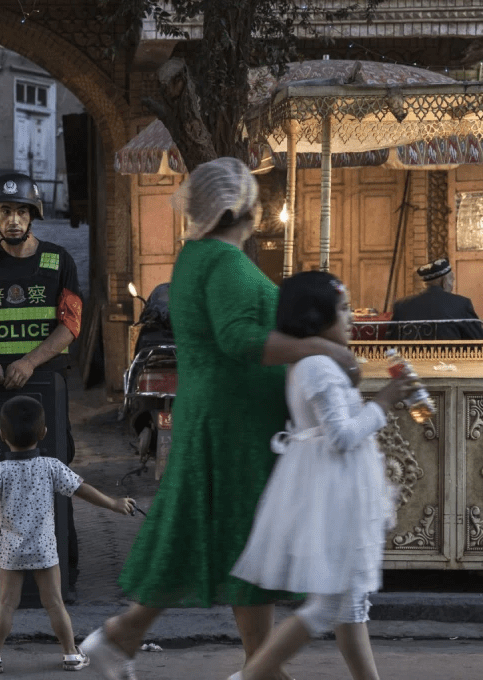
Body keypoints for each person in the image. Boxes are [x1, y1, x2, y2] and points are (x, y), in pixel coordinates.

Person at [82, 157, 362, 680]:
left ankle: (127, 638)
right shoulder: (225, 262)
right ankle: (253, 665)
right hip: (234, 424)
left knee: (220, 536)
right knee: (244, 536)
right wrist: (323, 348)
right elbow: (238, 337)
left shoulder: (198, 256)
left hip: (223, 416)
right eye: (255, 196)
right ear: (239, 209)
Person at [227, 271, 414, 680]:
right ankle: (250, 676)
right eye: (343, 310)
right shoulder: (316, 367)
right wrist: (382, 404)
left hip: (340, 488)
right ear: (315, 318)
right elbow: (342, 437)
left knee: (350, 608)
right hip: (333, 495)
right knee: (328, 607)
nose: (351, 318)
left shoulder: (319, 364)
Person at [0, 171, 84, 589]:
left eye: (20, 211)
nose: (12, 219)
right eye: (4, 211)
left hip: (44, 390)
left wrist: (29, 361)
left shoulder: (58, 260)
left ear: (33, 215)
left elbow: (71, 324)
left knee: (54, 475)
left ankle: (64, 568)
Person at [0, 395, 134, 674]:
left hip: (11, 550)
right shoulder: (51, 466)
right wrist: (114, 504)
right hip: (44, 548)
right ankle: (71, 654)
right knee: (54, 603)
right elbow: (83, 489)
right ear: (43, 433)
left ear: (1, 435)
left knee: (6, 604)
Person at [389, 258, 483, 340]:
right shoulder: (462, 304)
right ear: (444, 281)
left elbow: (390, 341)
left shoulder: (402, 305)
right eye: (451, 279)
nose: (452, 284)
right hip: (449, 360)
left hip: (412, 360)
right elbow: (477, 339)